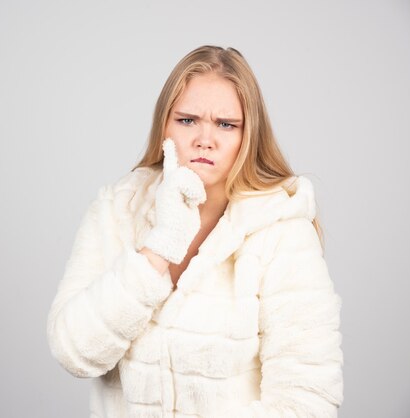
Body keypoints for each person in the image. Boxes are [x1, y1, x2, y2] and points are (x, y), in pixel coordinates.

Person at [46, 45, 344, 417]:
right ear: (164, 128)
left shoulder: (282, 233)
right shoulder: (117, 210)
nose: (205, 139)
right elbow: (75, 352)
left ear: (247, 136)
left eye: (226, 124)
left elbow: (307, 403)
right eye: (187, 120)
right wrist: (159, 247)